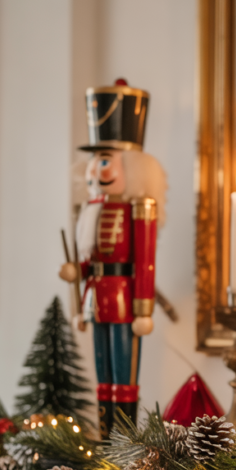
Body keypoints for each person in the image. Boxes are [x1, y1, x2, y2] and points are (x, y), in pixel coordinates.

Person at [59, 79, 167, 437]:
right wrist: (77, 270)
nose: (95, 170)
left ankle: (124, 438)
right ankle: (106, 439)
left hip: (124, 298)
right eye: (95, 160)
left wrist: (144, 309)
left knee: (124, 375)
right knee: (102, 373)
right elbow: (90, 255)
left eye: (105, 160)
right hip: (95, 298)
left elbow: (145, 262)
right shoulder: (90, 211)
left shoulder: (139, 209)